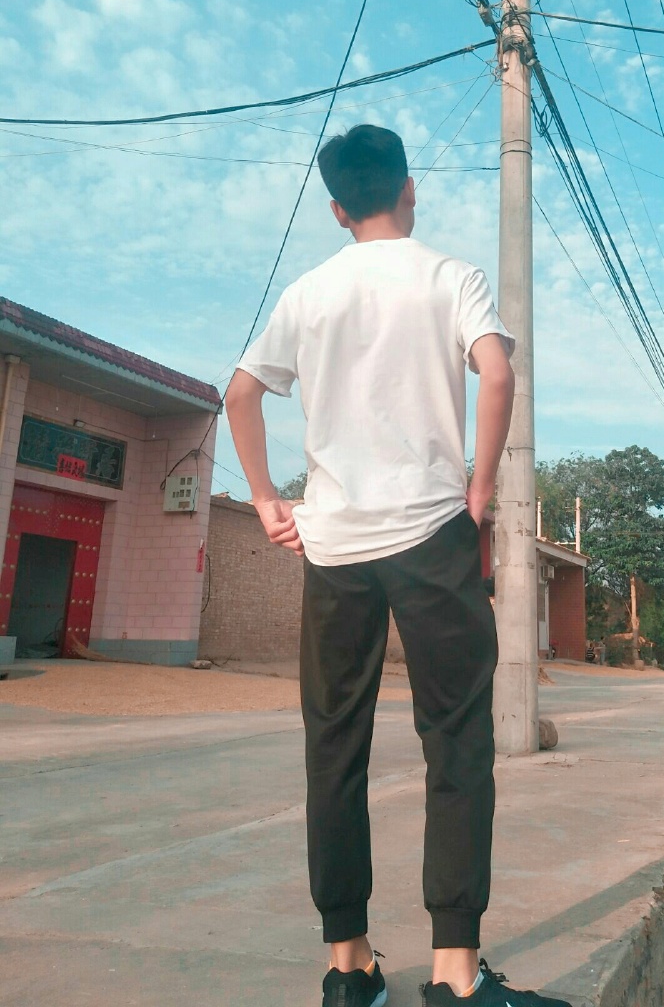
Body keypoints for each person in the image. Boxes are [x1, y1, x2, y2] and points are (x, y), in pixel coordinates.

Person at [225, 125, 569, 1007]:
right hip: (432, 537)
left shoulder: (308, 293)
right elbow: (497, 375)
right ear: (410, 190)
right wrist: (480, 487)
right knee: (455, 741)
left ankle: (349, 967)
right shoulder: (451, 276)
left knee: (333, 743)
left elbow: (239, 394)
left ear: (337, 209)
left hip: (334, 547)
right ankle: (456, 975)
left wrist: (267, 501)